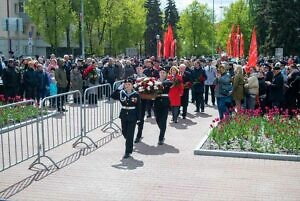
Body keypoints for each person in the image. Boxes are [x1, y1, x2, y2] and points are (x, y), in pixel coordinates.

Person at [111, 78, 141, 159]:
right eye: (126, 84)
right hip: (124, 115)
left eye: (129, 84)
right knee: (124, 132)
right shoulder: (121, 93)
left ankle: (128, 151)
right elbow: (112, 96)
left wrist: (139, 118)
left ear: (132, 85)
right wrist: (119, 87)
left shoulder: (136, 94)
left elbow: (138, 107)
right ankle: (129, 142)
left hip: (133, 116)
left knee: (130, 134)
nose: (127, 86)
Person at [154, 68, 172, 145]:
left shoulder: (168, 81)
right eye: (161, 72)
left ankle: (161, 138)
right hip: (157, 102)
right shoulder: (154, 82)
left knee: (163, 120)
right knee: (157, 119)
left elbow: (170, 83)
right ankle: (162, 130)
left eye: (164, 72)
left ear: (166, 74)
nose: (162, 73)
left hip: (165, 103)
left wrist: (161, 83)